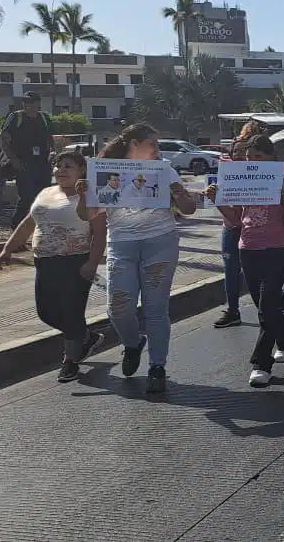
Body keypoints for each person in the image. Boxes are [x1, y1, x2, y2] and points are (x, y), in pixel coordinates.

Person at [76, 123, 196, 394]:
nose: (157, 149)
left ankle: (157, 367)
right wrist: (84, 194)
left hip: (160, 243)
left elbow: (189, 208)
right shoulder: (106, 169)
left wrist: (176, 194)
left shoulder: (165, 170)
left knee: (155, 309)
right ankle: (132, 343)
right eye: (152, 143)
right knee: (118, 308)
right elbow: (88, 215)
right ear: (134, 144)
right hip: (122, 245)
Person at [0, 152, 105, 382]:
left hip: (76, 262)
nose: (61, 170)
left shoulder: (90, 194)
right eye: (58, 166)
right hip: (44, 261)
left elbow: (99, 232)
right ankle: (85, 337)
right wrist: (8, 248)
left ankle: (70, 361)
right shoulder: (46, 193)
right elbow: (28, 223)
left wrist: (92, 262)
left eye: (69, 166)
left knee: (72, 312)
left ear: (81, 170)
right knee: (46, 312)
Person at [206, 135, 284, 388]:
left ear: (271, 158)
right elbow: (235, 220)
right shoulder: (241, 180)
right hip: (248, 249)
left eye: (259, 157)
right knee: (265, 307)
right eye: (249, 158)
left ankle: (261, 365)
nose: (253, 162)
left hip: (278, 250)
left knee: (267, 308)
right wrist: (218, 200)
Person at [213, 122, 263, 329]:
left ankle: (268, 309)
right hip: (232, 228)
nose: (240, 155)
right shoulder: (228, 172)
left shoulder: (265, 174)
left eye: (245, 152)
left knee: (261, 273)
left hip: (256, 230)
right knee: (230, 270)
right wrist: (215, 196)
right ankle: (233, 310)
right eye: (236, 151)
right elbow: (229, 210)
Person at [0, 92, 55, 229]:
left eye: (31, 102)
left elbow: (51, 138)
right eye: (25, 102)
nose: (28, 105)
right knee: (26, 198)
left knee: (44, 198)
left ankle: (40, 229)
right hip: (23, 164)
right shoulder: (16, 117)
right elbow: (3, 138)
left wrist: (53, 153)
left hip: (42, 164)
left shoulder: (44, 118)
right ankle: (16, 229)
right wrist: (14, 159)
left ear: (38, 103)